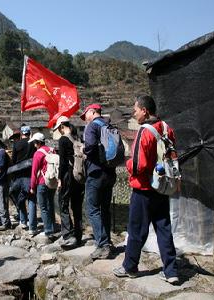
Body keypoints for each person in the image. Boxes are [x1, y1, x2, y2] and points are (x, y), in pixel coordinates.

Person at [113, 95, 179, 284]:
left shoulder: (144, 131)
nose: (134, 113)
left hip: (143, 189)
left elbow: (137, 165)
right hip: (162, 187)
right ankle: (171, 271)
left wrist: (126, 163)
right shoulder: (167, 128)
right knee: (164, 228)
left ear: (145, 111)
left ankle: (129, 267)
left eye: (136, 109)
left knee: (136, 230)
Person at [81, 103, 117, 260]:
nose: (85, 118)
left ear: (92, 111)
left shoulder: (92, 126)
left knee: (93, 209)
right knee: (105, 209)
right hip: (110, 172)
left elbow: (89, 146)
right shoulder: (108, 125)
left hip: (96, 172)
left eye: (86, 114)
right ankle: (107, 241)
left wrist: (84, 150)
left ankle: (102, 245)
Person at [53, 116, 84, 248]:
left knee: (63, 203)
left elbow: (63, 162)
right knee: (77, 206)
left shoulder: (63, 139)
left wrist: (60, 179)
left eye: (58, 129)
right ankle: (78, 235)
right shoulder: (77, 138)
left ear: (61, 127)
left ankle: (68, 234)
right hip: (79, 176)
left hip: (68, 176)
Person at [9, 125, 37, 231]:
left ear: (21, 134)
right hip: (30, 175)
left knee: (20, 199)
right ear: (30, 133)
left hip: (18, 176)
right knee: (31, 200)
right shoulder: (33, 143)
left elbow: (14, 160)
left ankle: (23, 221)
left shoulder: (16, 144)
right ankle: (33, 227)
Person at [29, 132, 55, 237]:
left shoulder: (37, 154)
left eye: (34, 142)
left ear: (38, 142)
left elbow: (34, 172)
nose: (34, 144)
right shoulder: (52, 150)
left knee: (43, 207)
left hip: (42, 182)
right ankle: (53, 227)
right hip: (52, 181)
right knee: (51, 205)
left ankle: (48, 230)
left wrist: (32, 187)